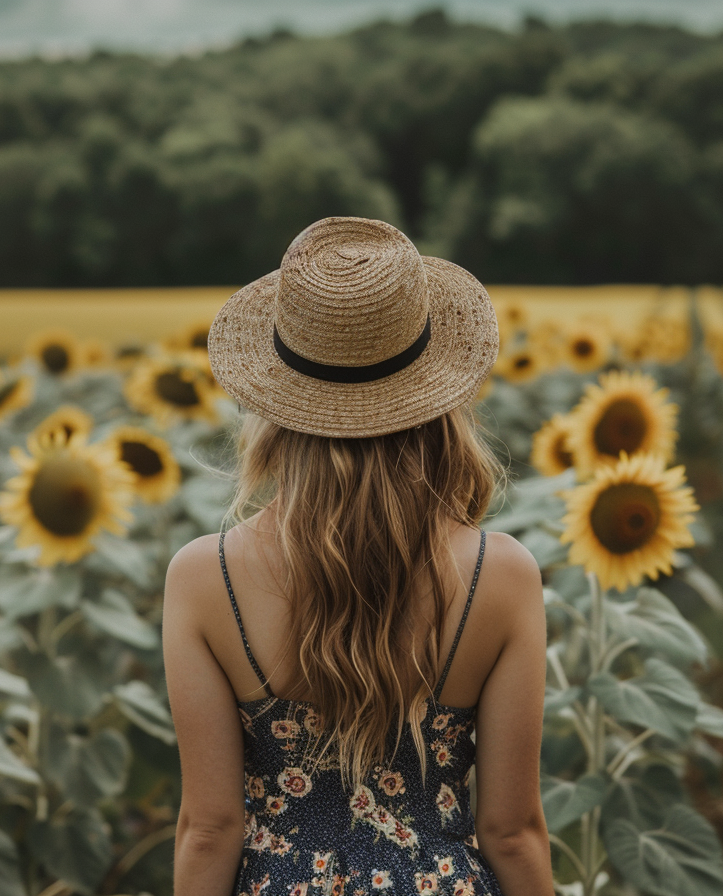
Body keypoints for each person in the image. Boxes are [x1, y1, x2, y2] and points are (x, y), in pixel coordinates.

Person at [162, 217, 551, 896]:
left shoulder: (205, 578)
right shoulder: (502, 573)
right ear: (438, 398)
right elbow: (512, 832)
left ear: (277, 402)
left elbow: (209, 827)